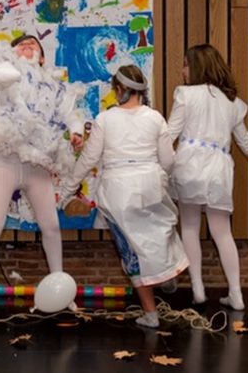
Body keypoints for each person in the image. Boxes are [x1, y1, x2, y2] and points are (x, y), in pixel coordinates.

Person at [0, 0, 84, 314]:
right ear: (14, 54)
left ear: (43, 57)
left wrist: (75, 131)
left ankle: (62, 288)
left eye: (34, 44)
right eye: (22, 44)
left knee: (50, 225)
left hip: (37, 163)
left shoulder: (55, 88)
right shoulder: (6, 73)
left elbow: (70, 114)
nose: (28, 46)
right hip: (4, 157)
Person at [59, 65, 188, 328]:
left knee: (132, 253)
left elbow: (88, 159)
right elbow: (167, 161)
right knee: (160, 235)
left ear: (119, 90)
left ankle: (151, 314)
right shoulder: (155, 118)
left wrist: (67, 189)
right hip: (151, 186)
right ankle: (167, 274)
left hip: (118, 193)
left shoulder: (105, 119)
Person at [166, 44, 248, 311]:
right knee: (223, 233)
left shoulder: (185, 95)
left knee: (189, 227)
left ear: (197, 67)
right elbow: (246, 143)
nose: (182, 70)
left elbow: (169, 135)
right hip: (219, 169)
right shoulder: (233, 103)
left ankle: (198, 288)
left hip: (189, 165)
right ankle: (236, 294)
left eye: (185, 65)